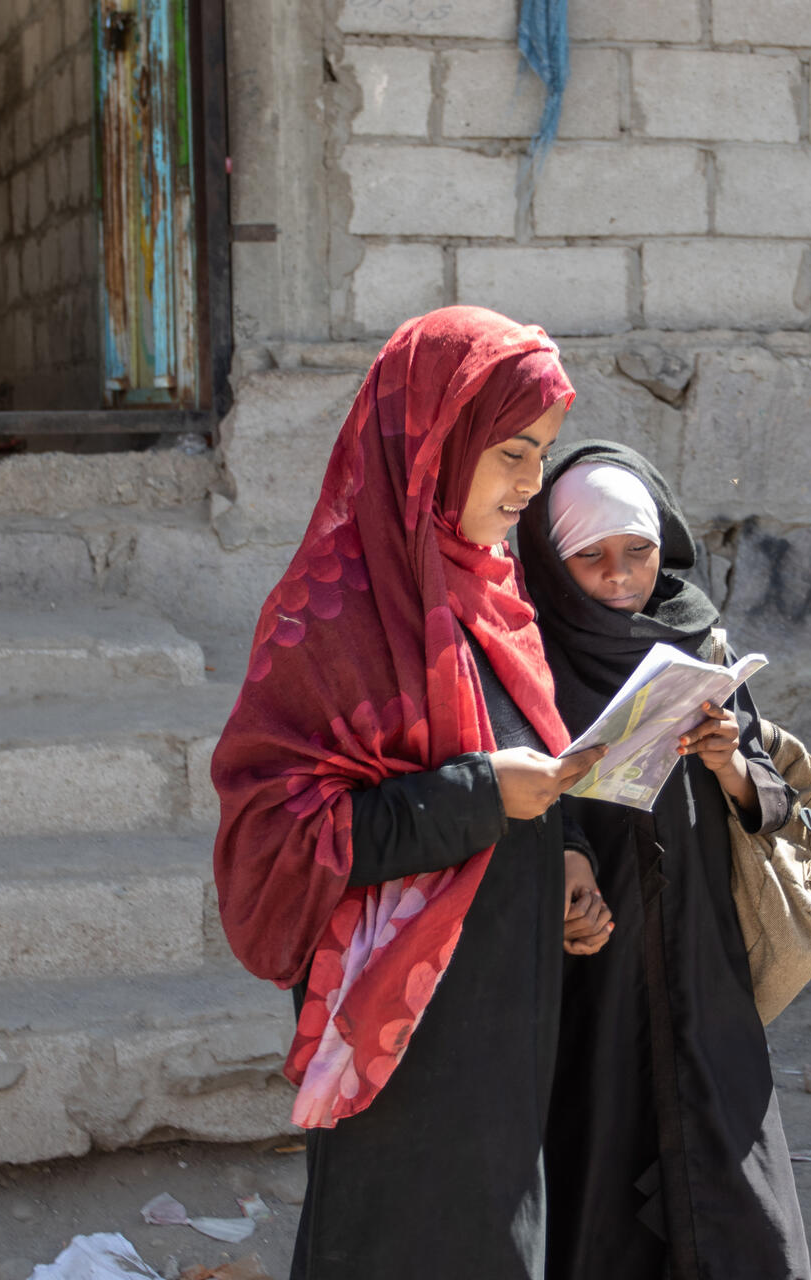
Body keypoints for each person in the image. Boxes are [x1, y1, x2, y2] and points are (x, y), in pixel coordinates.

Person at [210, 307, 610, 1280]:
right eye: (509, 453)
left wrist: (559, 854)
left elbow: (523, 761)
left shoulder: (491, 593)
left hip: (505, 1018)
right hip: (401, 1048)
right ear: (437, 440)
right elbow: (273, 840)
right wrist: (479, 797)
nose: (528, 485)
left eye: (541, 456)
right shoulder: (331, 615)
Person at [519, 440, 811, 1280]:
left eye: (637, 552)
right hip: (595, 961)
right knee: (599, 1156)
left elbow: (777, 804)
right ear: (552, 556)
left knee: (726, 1175)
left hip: (698, 956)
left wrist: (727, 760)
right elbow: (516, 795)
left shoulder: (700, 639)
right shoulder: (531, 653)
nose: (618, 577)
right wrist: (565, 856)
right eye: (591, 558)